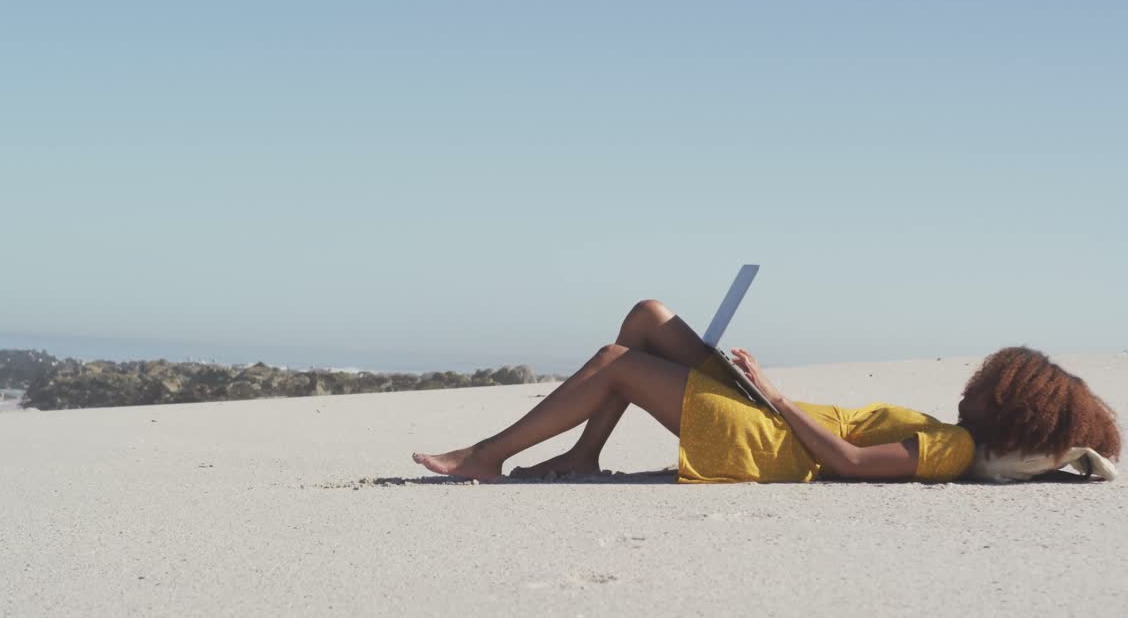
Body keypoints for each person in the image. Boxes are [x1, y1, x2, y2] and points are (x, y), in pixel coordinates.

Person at [412, 299, 1121, 483]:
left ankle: (486, 455)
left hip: (760, 440)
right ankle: (586, 453)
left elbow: (846, 463)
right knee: (647, 318)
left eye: (984, 390)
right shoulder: (957, 436)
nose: (969, 393)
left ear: (1009, 411)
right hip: (766, 414)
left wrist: (774, 397)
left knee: (618, 359)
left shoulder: (953, 445)